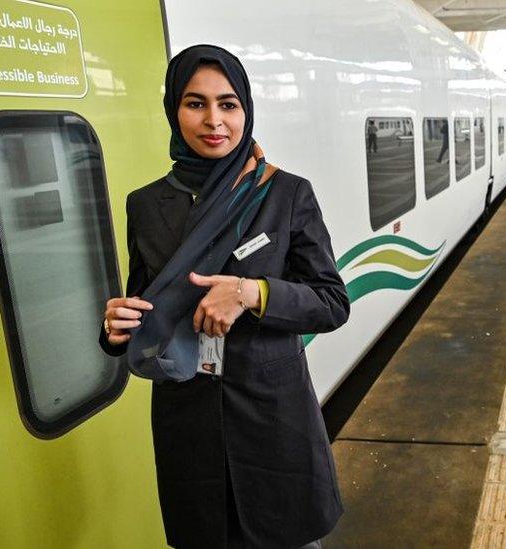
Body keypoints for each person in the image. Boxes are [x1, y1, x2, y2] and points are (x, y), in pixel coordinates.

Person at [99, 45, 350, 549]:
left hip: (272, 420)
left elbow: (331, 302)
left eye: (228, 104)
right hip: (188, 421)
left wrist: (251, 291)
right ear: (174, 111)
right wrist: (114, 327)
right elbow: (144, 303)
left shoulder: (284, 194)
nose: (214, 120)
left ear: (246, 109)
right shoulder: (147, 204)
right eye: (195, 104)